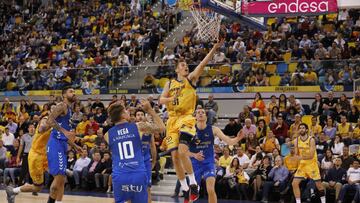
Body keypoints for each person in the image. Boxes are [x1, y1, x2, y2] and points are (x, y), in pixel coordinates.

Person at [159, 40, 223, 202]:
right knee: (174, 157)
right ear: (176, 69)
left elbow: (202, 64)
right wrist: (170, 98)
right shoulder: (170, 83)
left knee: (182, 150)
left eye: (187, 65)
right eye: (182, 65)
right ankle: (187, 189)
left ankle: (193, 184)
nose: (185, 66)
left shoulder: (191, 79)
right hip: (172, 120)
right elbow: (161, 100)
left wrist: (214, 49)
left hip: (187, 118)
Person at [105, 100, 165, 203]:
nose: (129, 112)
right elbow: (162, 128)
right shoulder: (138, 127)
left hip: (119, 175)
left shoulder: (107, 135)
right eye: (126, 111)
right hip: (137, 173)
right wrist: (150, 110)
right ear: (123, 115)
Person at [189, 108, 244, 203]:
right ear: (195, 116)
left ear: (206, 117)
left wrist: (238, 138)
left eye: (203, 112)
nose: (201, 114)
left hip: (208, 163)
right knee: (193, 192)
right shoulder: (190, 130)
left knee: (210, 189)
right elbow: (183, 150)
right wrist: (194, 155)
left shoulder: (214, 129)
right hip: (194, 164)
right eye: (198, 112)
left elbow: (229, 141)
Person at [45, 87, 78, 203]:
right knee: (58, 180)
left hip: (62, 145)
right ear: (64, 95)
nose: (74, 93)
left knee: (61, 180)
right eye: (71, 91)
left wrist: (74, 145)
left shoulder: (69, 109)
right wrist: (64, 131)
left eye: (74, 91)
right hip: (55, 145)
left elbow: (64, 135)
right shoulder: (62, 106)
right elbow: (49, 121)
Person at [292, 123, 326, 203]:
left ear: (306, 130)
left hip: (312, 164)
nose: (301, 129)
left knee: (319, 186)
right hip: (302, 165)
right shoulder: (296, 140)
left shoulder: (311, 140)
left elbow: (311, 155)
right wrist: (295, 155)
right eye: (300, 128)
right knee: (294, 183)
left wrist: (301, 157)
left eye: (303, 128)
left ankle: (323, 201)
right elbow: (296, 153)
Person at [135, 109, 157, 203]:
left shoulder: (149, 129)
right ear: (135, 117)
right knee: (132, 188)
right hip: (134, 162)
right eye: (138, 114)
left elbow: (152, 146)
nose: (140, 116)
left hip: (146, 161)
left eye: (141, 114)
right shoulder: (132, 128)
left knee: (148, 187)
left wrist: (154, 160)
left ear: (144, 116)